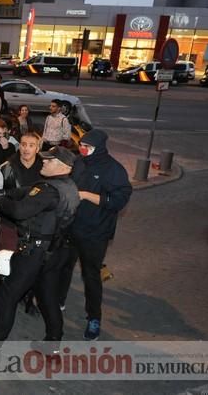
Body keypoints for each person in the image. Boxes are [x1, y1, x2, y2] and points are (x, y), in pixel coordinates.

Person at [0, 147, 80, 344]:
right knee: (48, 298)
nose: (43, 162)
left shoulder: (49, 191)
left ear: (63, 166)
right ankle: (53, 342)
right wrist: (3, 191)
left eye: (49, 160)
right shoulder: (68, 185)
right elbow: (26, 192)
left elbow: (19, 211)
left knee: (6, 296)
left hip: (34, 253)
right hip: (55, 251)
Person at [58, 129, 132, 341]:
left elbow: (119, 200)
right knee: (64, 266)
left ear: (98, 148)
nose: (83, 149)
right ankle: (59, 301)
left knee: (91, 276)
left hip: (95, 233)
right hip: (72, 226)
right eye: (81, 145)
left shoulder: (113, 170)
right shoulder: (80, 162)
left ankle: (94, 318)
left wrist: (87, 196)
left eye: (87, 147)